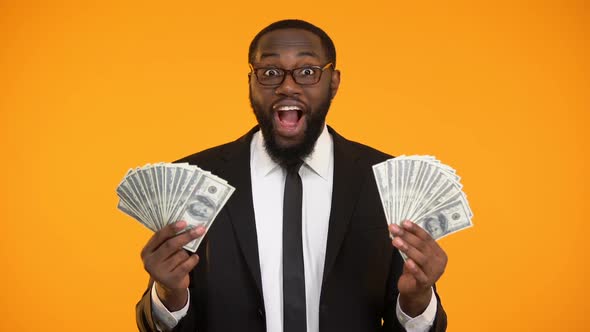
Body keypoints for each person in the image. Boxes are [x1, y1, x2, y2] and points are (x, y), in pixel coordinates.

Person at [136, 19, 449, 332]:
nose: (287, 86)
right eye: (270, 72)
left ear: (334, 82)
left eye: (308, 71)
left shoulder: (386, 181)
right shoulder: (195, 179)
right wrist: (169, 293)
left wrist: (417, 299)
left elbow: (409, 317)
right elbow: (161, 321)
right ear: (251, 82)